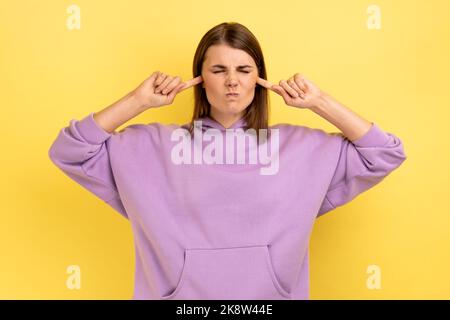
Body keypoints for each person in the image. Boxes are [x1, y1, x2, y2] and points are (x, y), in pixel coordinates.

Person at [48, 22, 407, 300]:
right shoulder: (152, 146)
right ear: (200, 80)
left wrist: (318, 101)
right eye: (219, 70)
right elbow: (69, 151)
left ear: (260, 79)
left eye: (244, 70)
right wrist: (137, 101)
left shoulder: (299, 148)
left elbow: (385, 153)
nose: (232, 82)